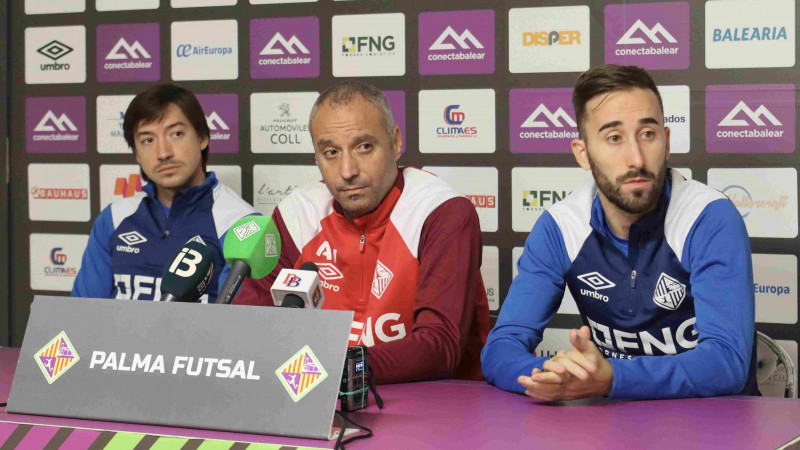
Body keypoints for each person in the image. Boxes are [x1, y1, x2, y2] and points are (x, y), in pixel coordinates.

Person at [482, 65, 758, 400]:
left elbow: (726, 362)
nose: (636, 158)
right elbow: (501, 347)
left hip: (715, 428)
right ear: (582, 153)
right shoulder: (561, 226)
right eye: (614, 138)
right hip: (612, 424)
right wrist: (549, 377)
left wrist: (612, 377)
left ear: (667, 142)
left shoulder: (708, 217)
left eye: (647, 134)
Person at [235, 81, 490, 384]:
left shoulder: (440, 212)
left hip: (429, 411)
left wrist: (337, 368)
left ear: (395, 142)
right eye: (330, 152)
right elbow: (248, 326)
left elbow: (440, 346)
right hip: (318, 398)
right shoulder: (296, 215)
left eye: (364, 147)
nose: (347, 170)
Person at [72, 84, 254, 303]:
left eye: (176, 134)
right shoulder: (113, 218)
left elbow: (236, 328)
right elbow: (81, 314)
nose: (163, 153)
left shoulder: (240, 225)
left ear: (202, 138)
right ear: (136, 154)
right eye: (148, 140)